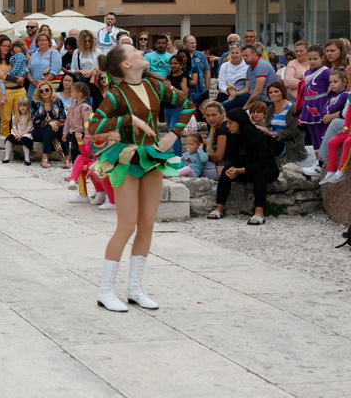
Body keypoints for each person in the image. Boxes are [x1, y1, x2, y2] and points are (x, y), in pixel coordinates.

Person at [90, 44, 195, 312]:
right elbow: (94, 126)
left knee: (147, 223)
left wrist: (173, 134)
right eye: (134, 51)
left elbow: (187, 104)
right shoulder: (115, 95)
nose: (140, 53)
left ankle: (135, 289)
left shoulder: (155, 86)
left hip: (152, 156)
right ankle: (105, 291)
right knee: (126, 225)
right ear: (126, 64)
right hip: (126, 158)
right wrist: (130, 120)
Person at [207, 108, 279, 226]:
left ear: (239, 123)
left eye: (230, 123)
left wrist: (239, 171)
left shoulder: (258, 137)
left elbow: (261, 163)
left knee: (258, 174)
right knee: (226, 171)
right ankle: (219, 209)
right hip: (242, 168)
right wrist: (231, 168)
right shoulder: (231, 135)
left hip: (267, 169)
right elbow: (228, 157)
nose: (228, 126)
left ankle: (259, 213)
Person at [261, 82, 305, 163]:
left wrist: (273, 134)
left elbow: (293, 131)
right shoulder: (271, 107)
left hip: (288, 142)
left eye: (276, 91)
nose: (273, 94)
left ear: (283, 92)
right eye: (270, 92)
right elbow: (267, 126)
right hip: (274, 139)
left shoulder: (293, 108)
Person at [0, 36, 26, 137]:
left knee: (20, 117)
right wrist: (17, 79)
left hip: (19, 90)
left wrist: (23, 77)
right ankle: (4, 140)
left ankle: (21, 138)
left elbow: (24, 69)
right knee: (5, 119)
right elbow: (0, 75)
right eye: (4, 46)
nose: (6, 48)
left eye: (8, 46)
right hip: (5, 91)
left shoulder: (15, 58)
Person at [31, 81, 67, 168]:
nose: (44, 92)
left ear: (51, 90)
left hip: (56, 128)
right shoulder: (36, 102)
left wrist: (57, 123)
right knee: (50, 129)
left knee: (63, 131)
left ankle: (66, 160)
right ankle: (44, 159)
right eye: (41, 91)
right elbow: (35, 120)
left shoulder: (58, 101)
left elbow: (63, 117)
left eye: (46, 90)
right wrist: (49, 122)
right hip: (39, 130)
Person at [182, 35, 213, 106]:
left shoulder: (201, 55)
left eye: (195, 43)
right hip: (186, 91)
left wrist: (207, 90)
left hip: (201, 91)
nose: (194, 45)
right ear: (184, 44)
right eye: (191, 43)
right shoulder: (180, 55)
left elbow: (207, 72)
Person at [5, 97, 35, 165]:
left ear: (28, 106)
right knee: (9, 138)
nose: (22, 108)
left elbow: (29, 129)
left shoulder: (30, 117)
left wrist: (21, 135)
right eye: (20, 106)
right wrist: (16, 134)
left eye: (24, 106)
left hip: (25, 134)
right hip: (17, 133)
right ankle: (7, 156)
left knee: (25, 141)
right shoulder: (17, 116)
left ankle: (27, 158)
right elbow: (14, 126)